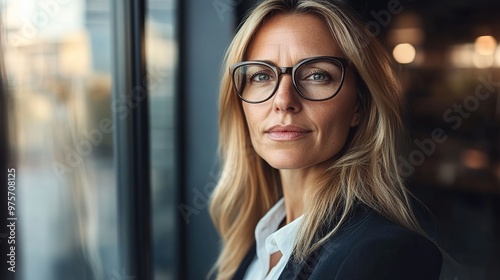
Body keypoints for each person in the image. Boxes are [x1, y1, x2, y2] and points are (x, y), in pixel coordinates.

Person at [209, 0, 443, 279]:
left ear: (358, 106)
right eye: (261, 75)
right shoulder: (257, 241)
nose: (283, 101)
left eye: (317, 75)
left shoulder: (383, 254)